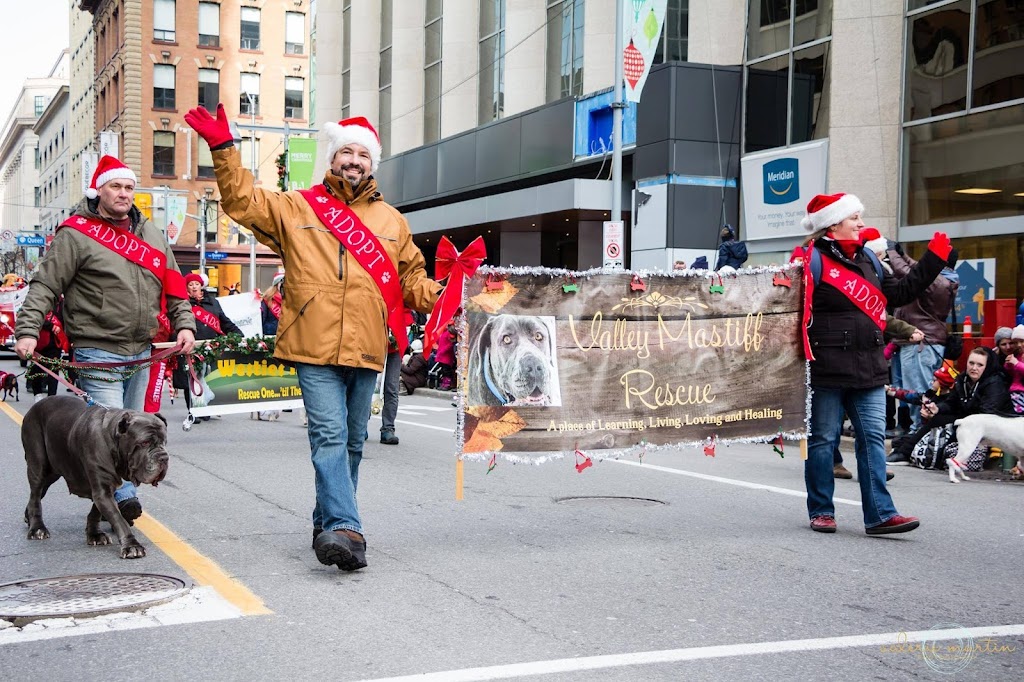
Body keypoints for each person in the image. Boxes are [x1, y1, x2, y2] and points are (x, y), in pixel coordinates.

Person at [186, 105, 440, 571]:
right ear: (332, 157)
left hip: (368, 344)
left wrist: (451, 293)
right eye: (346, 151)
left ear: (372, 163)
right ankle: (347, 527)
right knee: (329, 434)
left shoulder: (392, 222)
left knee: (354, 443)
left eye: (363, 154)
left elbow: (413, 283)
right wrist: (224, 149)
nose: (354, 160)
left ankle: (328, 525)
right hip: (313, 342)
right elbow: (242, 202)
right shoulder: (297, 205)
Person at [15, 155, 196, 521]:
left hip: (141, 352)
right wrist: (28, 330)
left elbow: (175, 286)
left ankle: (113, 496)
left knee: (135, 431)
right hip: (97, 350)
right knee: (108, 431)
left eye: (129, 187)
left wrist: (185, 324)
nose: (124, 194)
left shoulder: (151, 234)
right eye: (116, 186)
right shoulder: (76, 233)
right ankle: (122, 497)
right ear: (99, 191)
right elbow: (46, 285)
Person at [796, 192, 950, 535]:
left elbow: (898, 294)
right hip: (826, 367)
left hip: (868, 367)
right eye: (855, 218)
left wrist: (934, 260)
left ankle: (880, 514)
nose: (861, 224)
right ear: (834, 225)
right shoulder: (810, 259)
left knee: (872, 440)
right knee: (823, 442)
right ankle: (821, 510)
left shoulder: (868, 257)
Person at [889, 346, 1013, 462]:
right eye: (971, 363)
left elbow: (987, 414)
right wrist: (936, 408)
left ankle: (933, 457)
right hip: (970, 419)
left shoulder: (995, 383)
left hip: (991, 425)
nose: (974, 368)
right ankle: (905, 452)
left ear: (987, 366)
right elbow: (952, 403)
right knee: (937, 419)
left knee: (954, 427)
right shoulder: (963, 379)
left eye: (980, 365)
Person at [888, 245, 958, 432]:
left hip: (920, 343)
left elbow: (907, 272)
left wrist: (891, 252)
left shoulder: (935, 281)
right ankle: (920, 432)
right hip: (928, 342)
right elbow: (917, 268)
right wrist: (903, 254)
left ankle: (918, 434)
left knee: (918, 392)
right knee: (926, 390)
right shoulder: (945, 279)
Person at [173, 272, 243, 417]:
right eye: (190, 285)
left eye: (196, 284)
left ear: (201, 286)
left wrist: (238, 335)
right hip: (191, 347)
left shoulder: (213, 303)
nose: (194, 287)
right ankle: (193, 410)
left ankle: (205, 409)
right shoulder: (183, 304)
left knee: (208, 377)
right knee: (191, 379)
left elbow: (224, 321)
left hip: (210, 347)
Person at [27, 306, 69, 401]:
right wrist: (51, 326)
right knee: (36, 369)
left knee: (53, 371)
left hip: (55, 345)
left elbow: (66, 321)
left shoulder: (62, 305)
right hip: (39, 343)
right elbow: (34, 318)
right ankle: (37, 394)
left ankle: (52, 397)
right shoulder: (40, 302)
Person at [1003, 325, 1024, 414]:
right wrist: (1008, 365)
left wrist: (1016, 363)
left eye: (1022, 341)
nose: (1019, 345)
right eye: (1015, 342)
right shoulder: (1017, 356)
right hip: (1014, 391)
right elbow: (1012, 374)